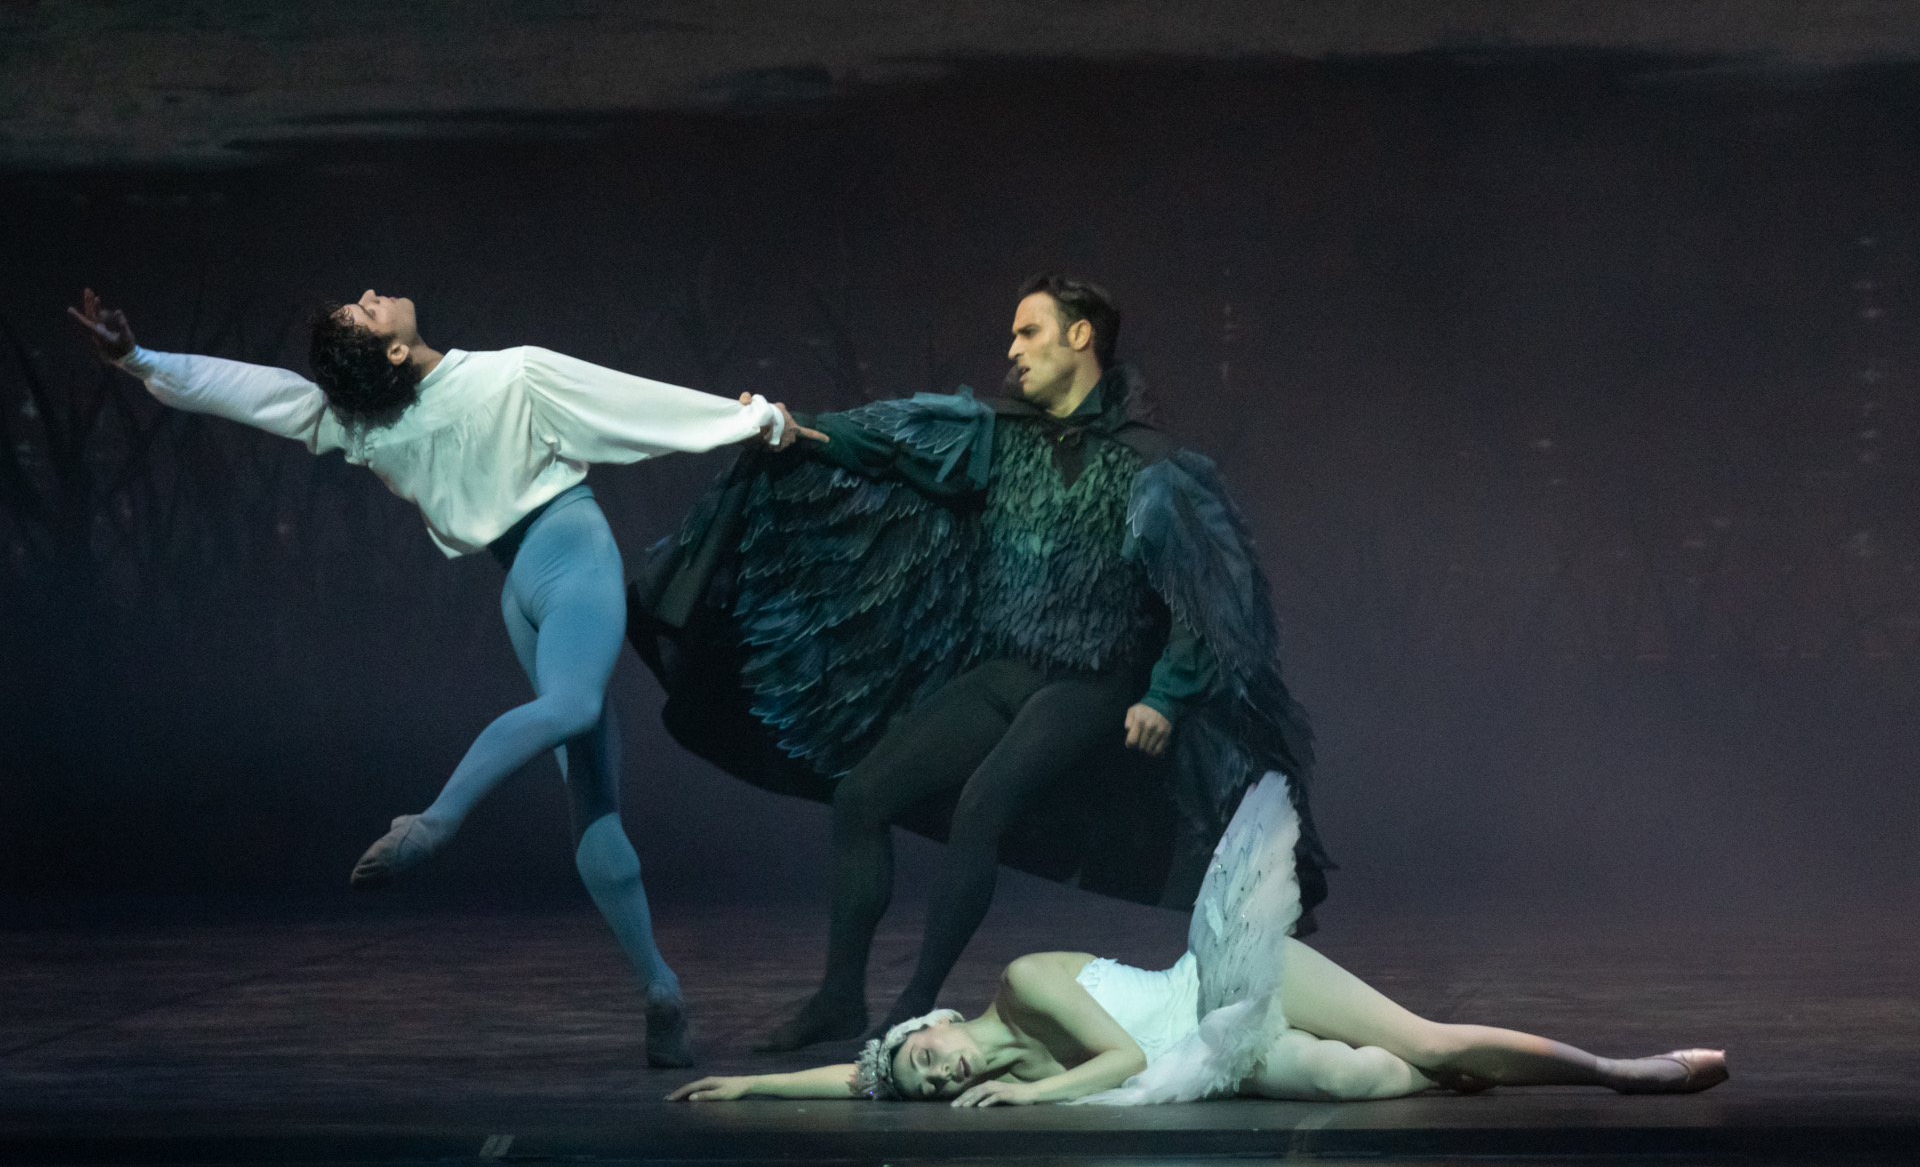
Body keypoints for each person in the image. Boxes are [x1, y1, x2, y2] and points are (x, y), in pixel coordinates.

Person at [65, 286, 799, 1067]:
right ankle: (436, 821)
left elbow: (259, 394)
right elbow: (636, 410)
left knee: (592, 793)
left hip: (520, 593)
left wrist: (139, 359)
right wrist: (753, 420)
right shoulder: (514, 375)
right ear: (392, 351)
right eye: (366, 313)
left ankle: (660, 988)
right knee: (575, 707)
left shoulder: (366, 426)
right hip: (572, 558)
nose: (369, 295)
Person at [630, 275, 1332, 1052]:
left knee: (980, 808)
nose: (1013, 349)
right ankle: (839, 999)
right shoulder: (998, 437)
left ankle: (915, 1004)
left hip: (1095, 681)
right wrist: (797, 432)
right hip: (1009, 669)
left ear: (1081, 336)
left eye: (1030, 332)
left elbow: (1206, 597)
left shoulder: (1154, 468)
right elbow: (891, 447)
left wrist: (1165, 696)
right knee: (861, 796)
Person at [667, 774, 1729, 1106]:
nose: (937, 1072)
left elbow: (1124, 1056)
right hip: (1221, 1059)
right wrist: (748, 1087)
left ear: (938, 1022)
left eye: (925, 1054)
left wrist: (1033, 1097)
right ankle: (1475, 1075)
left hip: (1225, 981)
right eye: (926, 1082)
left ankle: (1620, 1070)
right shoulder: (983, 1077)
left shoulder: (1024, 985)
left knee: (1429, 1041)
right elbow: (859, 1080)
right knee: (1375, 1080)